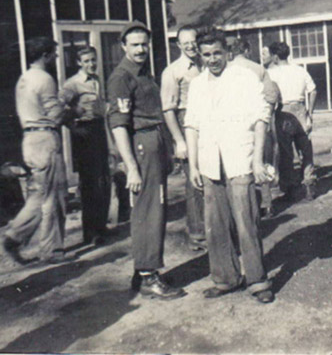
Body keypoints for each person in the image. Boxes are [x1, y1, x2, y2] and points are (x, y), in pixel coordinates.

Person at [185, 30, 274, 304]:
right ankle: (226, 278)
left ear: (227, 52)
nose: (212, 59)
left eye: (217, 53)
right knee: (216, 225)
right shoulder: (197, 85)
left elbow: (262, 118)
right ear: (200, 55)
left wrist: (258, 159)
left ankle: (258, 280)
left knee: (247, 221)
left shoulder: (244, 78)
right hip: (211, 163)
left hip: (239, 159)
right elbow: (192, 125)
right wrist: (193, 165)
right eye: (206, 54)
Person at [107, 20, 186, 300]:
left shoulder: (143, 72)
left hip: (154, 141)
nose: (141, 49)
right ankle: (147, 276)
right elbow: (118, 125)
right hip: (141, 146)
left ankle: (144, 268)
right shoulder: (122, 77)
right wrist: (131, 168)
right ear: (123, 47)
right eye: (135, 45)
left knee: (156, 207)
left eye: (144, 44)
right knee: (148, 210)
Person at [3, 37, 71, 265]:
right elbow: (55, 114)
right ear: (45, 55)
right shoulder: (45, 79)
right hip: (45, 139)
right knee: (54, 196)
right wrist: (69, 106)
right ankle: (52, 250)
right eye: (53, 53)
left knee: (38, 194)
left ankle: (15, 235)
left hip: (29, 139)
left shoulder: (23, 79)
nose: (55, 57)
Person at [160, 24, 207, 251]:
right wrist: (179, 141)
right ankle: (198, 234)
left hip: (207, 122)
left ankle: (212, 228)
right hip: (185, 122)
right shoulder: (173, 71)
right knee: (194, 179)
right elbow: (168, 109)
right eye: (185, 42)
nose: (191, 45)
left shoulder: (205, 64)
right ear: (178, 45)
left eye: (193, 40)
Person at [59, 46, 111, 246]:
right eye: (87, 61)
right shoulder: (73, 84)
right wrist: (73, 127)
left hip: (98, 129)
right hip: (84, 133)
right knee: (90, 184)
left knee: (103, 180)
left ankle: (101, 226)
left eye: (93, 60)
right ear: (79, 63)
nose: (91, 64)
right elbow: (59, 107)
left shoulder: (96, 80)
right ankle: (90, 233)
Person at [228, 38, 281, 216]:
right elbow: (271, 96)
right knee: (260, 162)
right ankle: (266, 203)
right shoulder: (258, 69)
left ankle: (243, 208)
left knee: (238, 166)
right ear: (247, 51)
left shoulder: (225, 69)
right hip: (257, 123)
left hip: (234, 125)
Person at [267, 42, 317, 201]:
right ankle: (309, 184)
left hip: (283, 111)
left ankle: (289, 187)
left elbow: (269, 94)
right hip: (301, 108)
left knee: (286, 152)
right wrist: (310, 112)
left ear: (275, 56)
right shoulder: (300, 70)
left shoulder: (271, 73)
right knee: (305, 149)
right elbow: (313, 90)